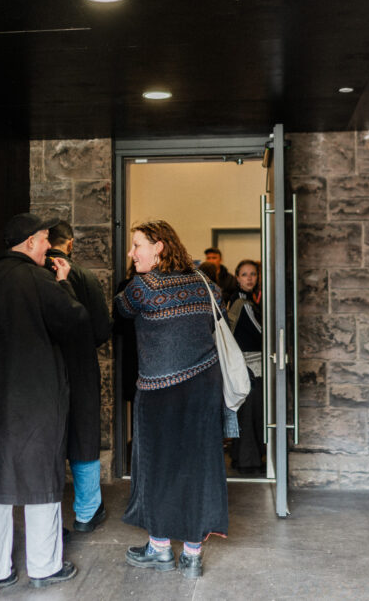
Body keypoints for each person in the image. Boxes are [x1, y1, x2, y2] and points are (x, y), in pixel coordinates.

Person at [0, 213, 89, 596]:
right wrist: (64, 284)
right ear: (30, 242)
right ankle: (45, 567)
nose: (49, 246)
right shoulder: (41, 281)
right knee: (40, 477)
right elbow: (76, 323)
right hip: (35, 397)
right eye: (45, 239)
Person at [116, 220, 230, 579]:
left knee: (157, 465)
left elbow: (119, 310)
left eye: (137, 245)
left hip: (160, 390)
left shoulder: (143, 286)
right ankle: (192, 555)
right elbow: (219, 310)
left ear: (159, 247)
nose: (132, 253)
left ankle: (160, 547)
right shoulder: (204, 282)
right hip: (205, 385)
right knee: (199, 464)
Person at [46, 222, 112, 533]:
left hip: (43, 366)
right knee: (83, 434)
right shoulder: (84, 277)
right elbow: (101, 329)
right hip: (80, 365)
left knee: (47, 437)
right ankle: (86, 512)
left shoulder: (32, 276)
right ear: (70, 243)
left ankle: (46, 519)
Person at [227, 259, 265, 474]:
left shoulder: (240, 299)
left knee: (246, 413)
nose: (249, 278)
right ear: (237, 277)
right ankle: (249, 461)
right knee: (251, 412)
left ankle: (241, 457)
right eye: (244, 274)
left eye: (253, 274)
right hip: (251, 366)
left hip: (244, 366)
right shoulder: (244, 303)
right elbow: (262, 333)